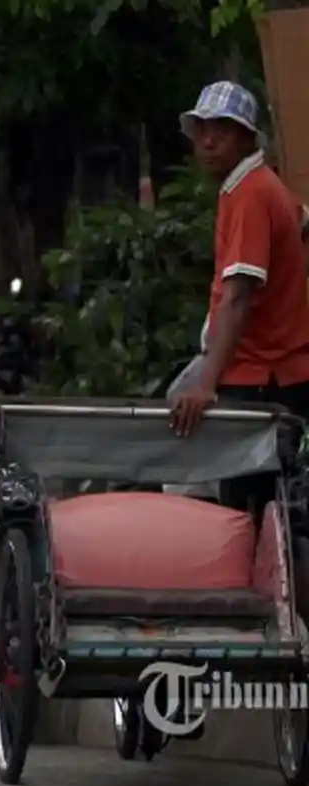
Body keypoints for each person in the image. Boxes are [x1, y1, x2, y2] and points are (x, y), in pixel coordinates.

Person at [167, 80, 309, 514]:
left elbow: (238, 297)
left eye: (222, 130)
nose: (208, 141)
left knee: (246, 511)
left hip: (259, 377)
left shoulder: (250, 194)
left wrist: (206, 383)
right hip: (277, 370)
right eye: (202, 129)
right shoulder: (263, 187)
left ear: (247, 137)